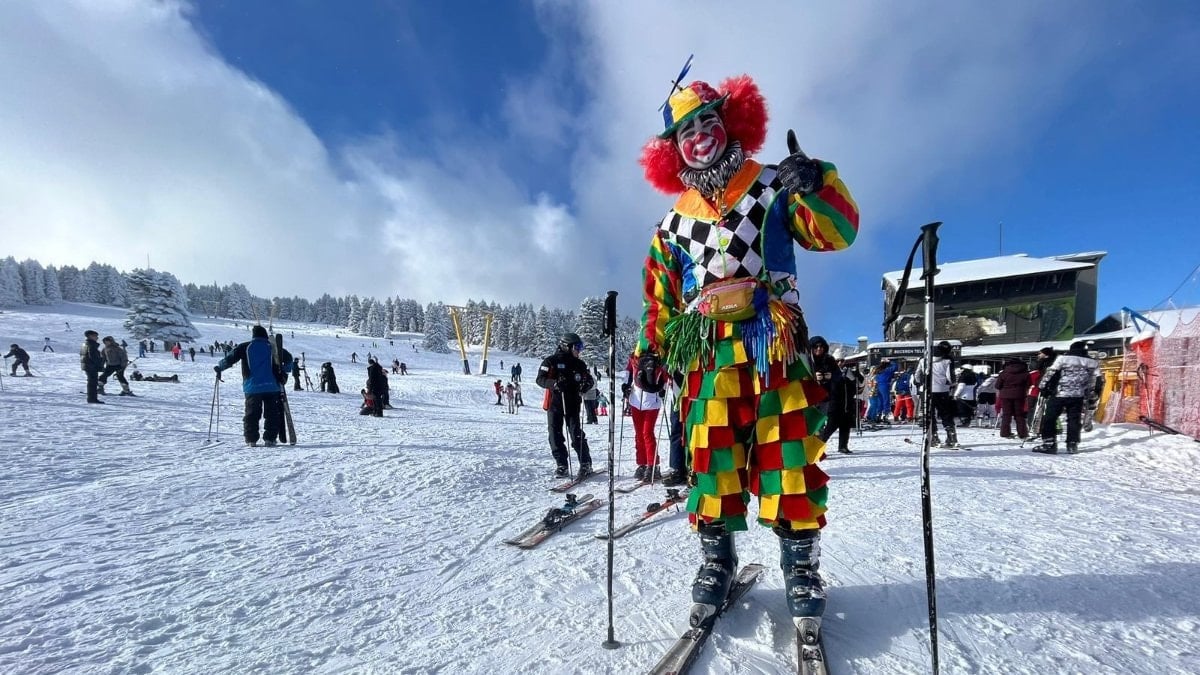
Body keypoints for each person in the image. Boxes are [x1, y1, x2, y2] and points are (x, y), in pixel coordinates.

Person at [634, 66, 858, 630]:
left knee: (789, 460)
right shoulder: (671, 223)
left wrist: (816, 181)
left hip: (774, 348)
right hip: (708, 358)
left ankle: (801, 567)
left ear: (729, 122)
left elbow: (835, 232)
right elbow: (659, 297)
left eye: (707, 122)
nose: (699, 136)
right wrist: (651, 349)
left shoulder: (770, 184)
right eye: (686, 132)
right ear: (674, 150)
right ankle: (717, 561)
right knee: (712, 460)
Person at [214, 325, 286, 447]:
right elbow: (288, 358)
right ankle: (270, 438)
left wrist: (220, 367)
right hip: (272, 387)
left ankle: (251, 439)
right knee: (272, 413)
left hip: (252, 387)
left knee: (252, 413)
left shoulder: (245, 347)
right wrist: (284, 372)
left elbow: (230, 359)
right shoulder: (272, 347)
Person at [535, 332, 595, 479]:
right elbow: (540, 379)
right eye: (577, 347)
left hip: (573, 403)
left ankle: (585, 463)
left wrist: (586, 385)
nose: (579, 350)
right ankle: (561, 464)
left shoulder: (579, 364)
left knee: (576, 434)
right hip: (555, 403)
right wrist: (554, 383)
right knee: (555, 435)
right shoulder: (551, 361)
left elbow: (589, 379)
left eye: (580, 347)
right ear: (566, 346)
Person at [1036, 341, 1100, 454]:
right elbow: (1097, 380)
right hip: (1078, 395)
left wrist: (1042, 387)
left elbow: (1050, 372)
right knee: (1074, 420)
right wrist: (1092, 394)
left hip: (1060, 393)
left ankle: (1049, 443)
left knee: (1050, 417)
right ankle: (1072, 444)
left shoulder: (1062, 358)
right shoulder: (1093, 362)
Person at [624, 351, 668, 481]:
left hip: (651, 402)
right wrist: (625, 386)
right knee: (639, 434)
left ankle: (652, 465)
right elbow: (628, 372)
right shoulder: (635, 358)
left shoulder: (659, 359)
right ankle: (642, 464)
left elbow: (665, 376)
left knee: (647, 433)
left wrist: (663, 389)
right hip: (636, 401)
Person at [917, 341, 959, 447]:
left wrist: (918, 383)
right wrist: (952, 384)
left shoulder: (923, 360)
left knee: (929, 414)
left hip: (926, 390)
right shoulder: (947, 361)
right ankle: (951, 436)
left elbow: (917, 374)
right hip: (942, 390)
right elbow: (950, 377)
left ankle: (933, 437)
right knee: (945, 413)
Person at [823, 349, 863, 453]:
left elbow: (858, 389)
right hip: (834, 405)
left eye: (842, 360)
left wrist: (857, 378)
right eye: (837, 361)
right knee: (829, 428)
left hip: (847, 404)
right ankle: (818, 447)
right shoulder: (830, 372)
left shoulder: (849, 372)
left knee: (845, 427)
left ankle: (843, 446)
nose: (840, 363)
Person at [807, 336, 842, 449]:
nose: (819, 349)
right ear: (811, 347)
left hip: (825, 396)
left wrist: (830, 377)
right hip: (809, 398)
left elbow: (838, 375)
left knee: (821, 424)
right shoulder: (807, 360)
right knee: (809, 423)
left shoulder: (829, 360)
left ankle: (817, 449)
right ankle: (808, 448)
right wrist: (813, 377)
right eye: (816, 346)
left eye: (821, 346)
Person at [995, 357, 1031, 439]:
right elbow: (1029, 384)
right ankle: (1022, 433)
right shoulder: (1025, 373)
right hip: (1019, 395)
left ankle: (1005, 433)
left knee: (1006, 415)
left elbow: (997, 385)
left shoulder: (1003, 373)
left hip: (1005, 395)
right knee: (1019, 415)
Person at [79, 330, 105, 403]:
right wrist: (99, 364)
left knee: (91, 382)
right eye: (95, 336)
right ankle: (92, 399)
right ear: (90, 336)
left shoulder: (85, 344)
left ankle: (92, 398)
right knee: (92, 383)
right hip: (91, 366)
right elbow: (93, 357)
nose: (97, 338)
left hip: (87, 366)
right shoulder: (91, 345)